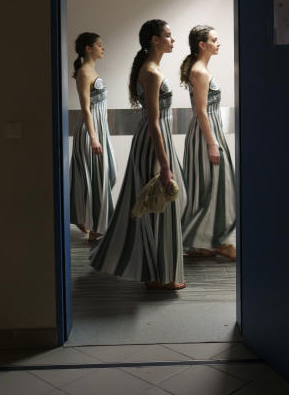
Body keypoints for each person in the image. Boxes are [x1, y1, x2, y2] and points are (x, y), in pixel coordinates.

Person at [90, 19, 187, 289]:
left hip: (153, 141)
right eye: (168, 35)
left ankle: (157, 273)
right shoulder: (152, 72)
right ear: (155, 40)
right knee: (157, 204)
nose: (172, 39)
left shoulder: (151, 68)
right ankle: (159, 275)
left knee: (157, 205)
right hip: (152, 143)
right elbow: (154, 122)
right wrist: (164, 165)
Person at [179, 25, 237, 261]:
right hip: (205, 134)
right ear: (202, 45)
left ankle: (202, 243)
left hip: (207, 132)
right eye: (214, 39)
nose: (218, 43)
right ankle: (215, 241)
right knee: (215, 184)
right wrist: (212, 144)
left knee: (209, 185)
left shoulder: (200, 69)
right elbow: (201, 112)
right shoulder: (200, 71)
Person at [69, 32, 116, 243]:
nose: (103, 48)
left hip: (99, 130)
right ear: (88, 49)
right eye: (99, 44)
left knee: (107, 175)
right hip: (91, 133)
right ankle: (96, 228)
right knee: (96, 178)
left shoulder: (91, 70)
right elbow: (86, 109)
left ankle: (89, 221)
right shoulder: (84, 72)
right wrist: (94, 137)